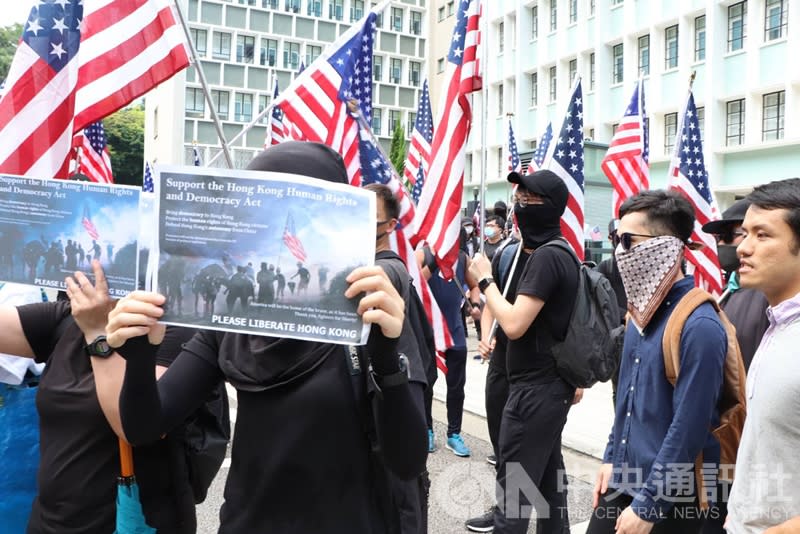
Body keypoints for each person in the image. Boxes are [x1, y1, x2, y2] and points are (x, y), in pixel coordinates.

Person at [110, 141, 427, 533]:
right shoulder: (230, 323)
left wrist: (385, 357)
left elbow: (408, 460)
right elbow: (144, 426)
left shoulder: (368, 312)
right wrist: (141, 355)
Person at [0, 261, 198, 533]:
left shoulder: (170, 329)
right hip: (50, 523)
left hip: (126, 523)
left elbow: (134, 427)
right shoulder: (67, 319)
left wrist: (97, 334)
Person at [587, 190, 727, 534]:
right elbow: (628, 401)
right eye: (618, 240)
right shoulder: (639, 314)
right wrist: (611, 459)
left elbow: (689, 426)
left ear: (666, 246)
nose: (621, 252)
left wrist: (649, 505)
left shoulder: (700, 326)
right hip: (624, 479)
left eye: (629, 240)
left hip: (668, 499)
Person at [467, 169, 580, 534]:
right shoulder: (550, 253)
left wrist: (485, 281)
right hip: (543, 388)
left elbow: (515, 323)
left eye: (530, 198)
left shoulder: (549, 257)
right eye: (519, 197)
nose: (520, 204)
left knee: (513, 498)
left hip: (535, 389)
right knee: (548, 487)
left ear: (551, 208)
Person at [725, 178, 800, 534]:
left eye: (762, 235)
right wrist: (739, 510)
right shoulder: (777, 327)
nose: (743, 247)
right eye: (745, 233)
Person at [366, 182, 430, 534]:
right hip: (381, 388)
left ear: (390, 225)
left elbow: (383, 279)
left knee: (401, 487)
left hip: (397, 389)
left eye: (371, 218)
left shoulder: (388, 268)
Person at [417, 239, 480, 458]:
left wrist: (476, 304)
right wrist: (435, 263)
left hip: (454, 332)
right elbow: (414, 283)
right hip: (428, 332)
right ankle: (427, 430)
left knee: (456, 387)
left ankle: (454, 434)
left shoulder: (462, 258)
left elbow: (474, 285)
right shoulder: (424, 254)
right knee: (426, 383)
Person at [701, 198, 769, 371]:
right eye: (719, 237)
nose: (722, 244)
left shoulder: (771, 295)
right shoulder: (728, 290)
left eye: (730, 236)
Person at [593, 219, 626, 406]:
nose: (622, 242)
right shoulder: (606, 268)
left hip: (643, 333)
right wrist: (623, 313)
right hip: (617, 337)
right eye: (618, 237)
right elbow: (598, 300)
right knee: (619, 388)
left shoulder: (639, 264)